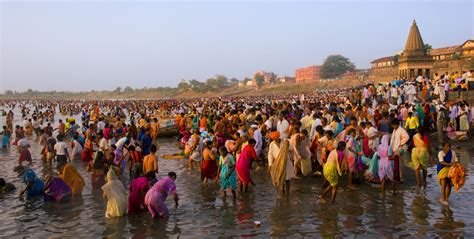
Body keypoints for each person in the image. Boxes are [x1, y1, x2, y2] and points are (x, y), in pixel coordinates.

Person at [390, 118, 409, 183]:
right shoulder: (395, 130)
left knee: (400, 163)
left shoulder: (401, 130)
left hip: (400, 148)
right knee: (396, 163)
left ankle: (401, 178)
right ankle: (397, 176)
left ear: (397, 124)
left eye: (394, 125)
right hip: (395, 148)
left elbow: (407, 137)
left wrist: (400, 143)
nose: (393, 126)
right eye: (392, 125)